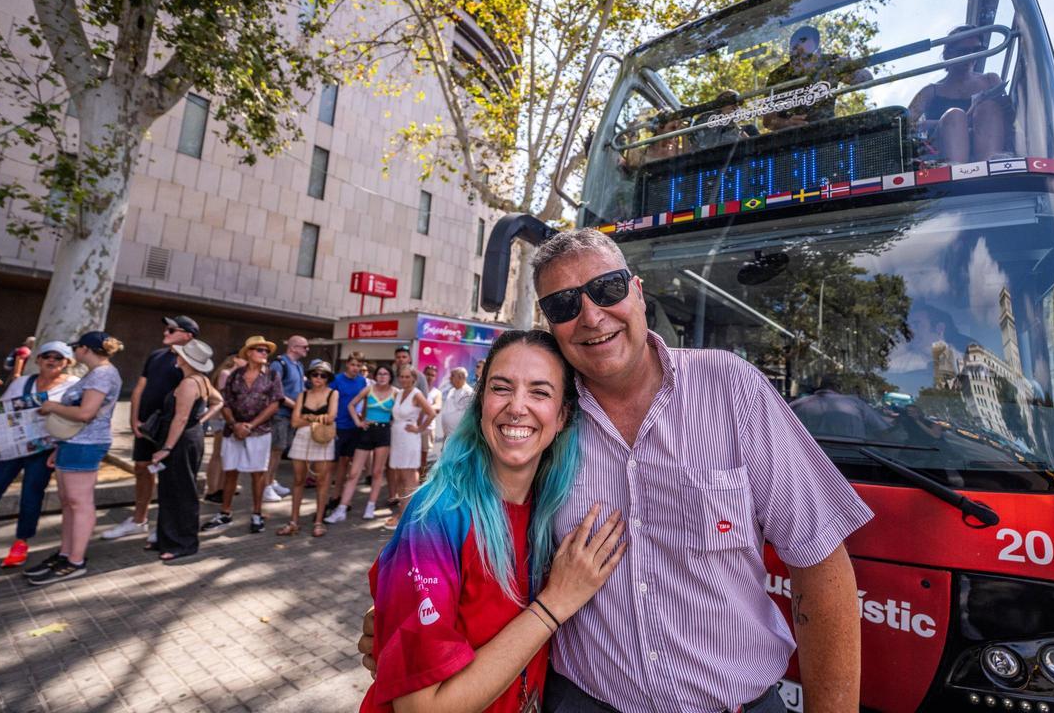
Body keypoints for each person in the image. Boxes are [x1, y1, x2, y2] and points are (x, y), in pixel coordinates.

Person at [361, 232, 873, 712]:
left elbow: (821, 564)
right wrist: (402, 620)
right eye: (563, 304)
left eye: (606, 288)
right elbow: (488, 541)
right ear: (549, 322)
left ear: (638, 292)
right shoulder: (549, 420)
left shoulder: (731, 388)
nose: (590, 315)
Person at [359, 329, 626, 713]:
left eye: (539, 392)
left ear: (564, 415)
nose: (517, 407)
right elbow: (422, 708)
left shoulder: (553, 512)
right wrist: (554, 604)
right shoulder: (436, 516)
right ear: (481, 401)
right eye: (501, 388)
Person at [26, 331, 124, 585]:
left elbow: (85, 413)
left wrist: (52, 407)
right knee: (70, 502)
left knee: (79, 502)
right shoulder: (97, 373)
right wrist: (61, 445)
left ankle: (75, 560)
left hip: (86, 443)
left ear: (85, 349)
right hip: (74, 442)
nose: (74, 353)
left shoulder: (102, 373)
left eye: (77, 348)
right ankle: (66, 553)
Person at [104, 314, 198, 543]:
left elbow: (202, 395)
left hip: (171, 429)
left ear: (188, 336)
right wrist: (134, 419)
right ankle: (138, 520)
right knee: (142, 468)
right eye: (166, 330)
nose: (165, 333)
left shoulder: (193, 361)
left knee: (170, 477)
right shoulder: (156, 355)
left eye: (172, 330)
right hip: (146, 426)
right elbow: (140, 387)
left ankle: (166, 525)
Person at [0, 341, 79, 568]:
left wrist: (61, 447)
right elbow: (3, 411)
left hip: (44, 449)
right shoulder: (22, 382)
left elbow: (79, 418)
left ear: (68, 362)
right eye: (47, 355)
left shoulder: (74, 386)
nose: (52, 360)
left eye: (58, 357)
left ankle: (21, 542)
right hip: (12, 447)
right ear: (37, 360)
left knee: (32, 493)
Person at [148, 340, 223, 561]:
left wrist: (166, 448)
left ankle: (183, 543)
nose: (176, 357)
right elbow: (219, 402)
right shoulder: (202, 381)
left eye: (178, 354)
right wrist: (201, 420)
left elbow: (180, 419)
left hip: (181, 440)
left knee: (180, 491)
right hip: (190, 436)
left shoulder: (189, 384)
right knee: (174, 490)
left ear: (185, 359)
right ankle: (168, 538)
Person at [203, 336, 283, 534]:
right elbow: (225, 402)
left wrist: (250, 425)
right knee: (230, 471)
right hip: (234, 431)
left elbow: (275, 404)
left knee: (258, 473)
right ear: (248, 352)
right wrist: (234, 424)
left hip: (260, 431)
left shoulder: (272, 376)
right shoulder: (234, 375)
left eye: (266, 351)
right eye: (260, 350)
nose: (264, 353)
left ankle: (257, 513)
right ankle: (225, 512)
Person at [907, 25, 1009, 164]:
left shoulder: (991, 80)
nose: (970, 56)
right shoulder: (929, 92)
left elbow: (1008, 115)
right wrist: (956, 122)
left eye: (976, 50)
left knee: (988, 108)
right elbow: (906, 126)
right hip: (943, 151)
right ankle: (956, 169)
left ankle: (991, 163)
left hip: (987, 140)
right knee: (955, 116)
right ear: (948, 54)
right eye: (963, 51)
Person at [763, 25, 872, 131]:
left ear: (817, 53)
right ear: (790, 51)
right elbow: (768, 121)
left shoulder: (830, 63)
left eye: (807, 57)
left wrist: (849, 69)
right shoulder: (777, 76)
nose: (800, 62)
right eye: (795, 56)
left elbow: (867, 79)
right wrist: (787, 123)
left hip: (827, 133)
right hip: (791, 139)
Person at [279, 360, 339, 537]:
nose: (318, 378)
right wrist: (317, 417)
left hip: (323, 438)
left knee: (322, 481)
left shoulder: (333, 393)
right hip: (302, 438)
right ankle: (293, 521)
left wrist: (308, 417)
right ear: (310, 376)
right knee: (298, 480)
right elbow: (294, 421)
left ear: (328, 378)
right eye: (315, 374)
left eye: (323, 375)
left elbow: (331, 417)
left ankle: (318, 521)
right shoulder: (302, 395)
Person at [328, 365, 395, 523]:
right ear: (375, 375)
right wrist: (358, 422)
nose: (382, 376)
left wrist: (394, 422)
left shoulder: (396, 392)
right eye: (379, 373)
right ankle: (341, 509)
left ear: (390, 376)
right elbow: (351, 405)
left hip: (384, 432)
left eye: (385, 374)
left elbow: (401, 411)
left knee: (378, 472)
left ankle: (370, 507)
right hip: (366, 431)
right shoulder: (369, 389)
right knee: (353, 473)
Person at [383, 366, 437, 529]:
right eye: (402, 376)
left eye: (408, 377)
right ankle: (403, 511)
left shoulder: (416, 394)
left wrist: (419, 429)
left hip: (409, 438)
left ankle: (407, 516)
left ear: (414, 379)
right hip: (397, 437)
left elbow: (432, 413)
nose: (404, 379)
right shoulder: (398, 393)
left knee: (408, 476)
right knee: (399, 476)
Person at [265, 335, 308, 503]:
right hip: (280, 414)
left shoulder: (299, 365)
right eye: (304, 346)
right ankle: (265, 486)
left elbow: (300, 388)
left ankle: (271, 480)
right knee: (275, 450)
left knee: (280, 449)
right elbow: (277, 392)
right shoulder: (279, 364)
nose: (306, 349)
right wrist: (297, 406)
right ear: (293, 347)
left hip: (291, 415)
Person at [327, 352, 370, 516]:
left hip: (355, 427)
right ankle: (332, 495)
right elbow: (329, 399)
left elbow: (365, 401)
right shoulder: (337, 380)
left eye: (359, 366)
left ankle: (341, 497)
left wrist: (363, 418)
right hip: (338, 425)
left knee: (347, 464)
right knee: (333, 464)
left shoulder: (362, 380)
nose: (356, 368)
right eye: (353, 365)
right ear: (347, 364)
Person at [203, 354, 245, 502]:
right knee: (217, 454)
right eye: (243, 358)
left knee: (224, 455)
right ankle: (212, 489)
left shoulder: (235, 375)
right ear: (235, 358)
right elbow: (225, 397)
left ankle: (220, 488)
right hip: (221, 418)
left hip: (228, 418)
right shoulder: (225, 374)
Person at [440, 367, 475, 452]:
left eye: (452, 376)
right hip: (448, 436)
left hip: (461, 438)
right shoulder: (451, 391)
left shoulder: (469, 393)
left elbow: (470, 417)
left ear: (461, 377)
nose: (450, 378)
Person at [422, 364, 443, 467]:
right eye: (427, 374)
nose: (429, 377)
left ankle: (421, 481)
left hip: (428, 428)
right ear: (423, 375)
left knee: (424, 457)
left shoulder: (437, 392)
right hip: (414, 428)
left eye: (432, 375)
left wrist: (422, 405)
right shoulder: (418, 390)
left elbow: (438, 407)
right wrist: (430, 407)